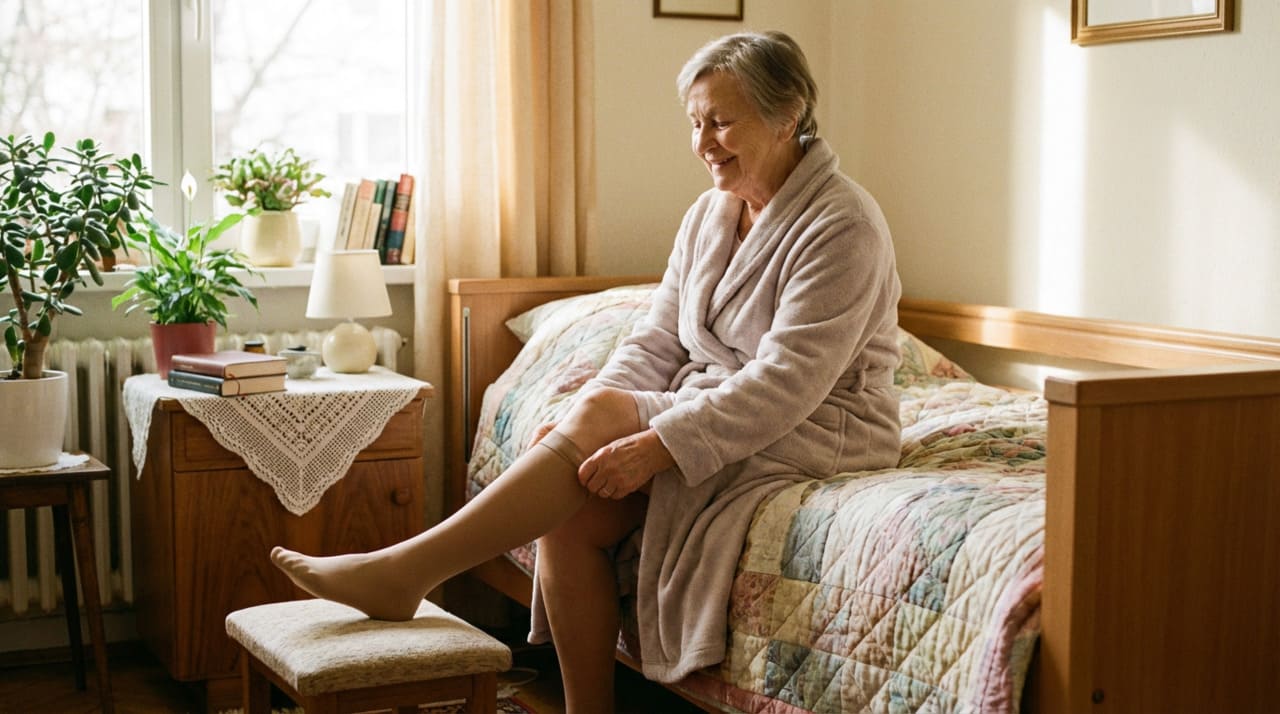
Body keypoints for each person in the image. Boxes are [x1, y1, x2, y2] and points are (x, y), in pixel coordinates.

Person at [271, 30, 902, 714]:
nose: (703, 142)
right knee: (567, 514)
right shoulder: (709, 216)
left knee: (599, 429)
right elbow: (657, 337)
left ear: (788, 115)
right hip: (726, 404)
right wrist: (586, 413)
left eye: (721, 122)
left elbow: (788, 380)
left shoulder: (844, 224)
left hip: (823, 423)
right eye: (695, 123)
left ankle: (407, 571)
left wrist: (657, 441)